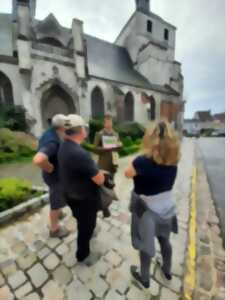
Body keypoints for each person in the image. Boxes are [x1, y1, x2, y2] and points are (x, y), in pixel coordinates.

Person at [125, 120, 180, 289]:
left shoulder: (142, 161)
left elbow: (127, 173)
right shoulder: (173, 159)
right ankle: (167, 269)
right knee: (165, 240)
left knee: (145, 246)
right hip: (168, 208)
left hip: (147, 210)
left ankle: (144, 278)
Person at [58, 114, 105, 262]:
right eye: (85, 127)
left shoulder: (64, 146)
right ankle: (83, 254)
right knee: (86, 227)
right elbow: (99, 180)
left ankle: (86, 230)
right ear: (80, 130)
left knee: (81, 220)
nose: (86, 129)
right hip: (84, 199)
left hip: (70, 194)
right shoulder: (81, 154)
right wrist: (100, 173)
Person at [33, 114, 70, 238]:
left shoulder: (50, 132)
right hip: (55, 178)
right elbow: (38, 159)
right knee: (56, 201)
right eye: (67, 124)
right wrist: (49, 167)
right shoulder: (53, 141)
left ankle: (58, 212)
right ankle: (54, 229)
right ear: (61, 126)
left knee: (57, 199)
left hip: (52, 176)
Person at [94, 114, 122, 217]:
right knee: (104, 186)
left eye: (111, 122)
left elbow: (117, 147)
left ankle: (111, 198)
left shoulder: (116, 133)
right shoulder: (99, 134)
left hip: (113, 162)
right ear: (104, 123)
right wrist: (107, 147)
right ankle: (105, 208)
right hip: (103, 164)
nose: (109, 124)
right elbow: (95, 149)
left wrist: (120, 145)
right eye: (107, 122)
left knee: (111, 182)